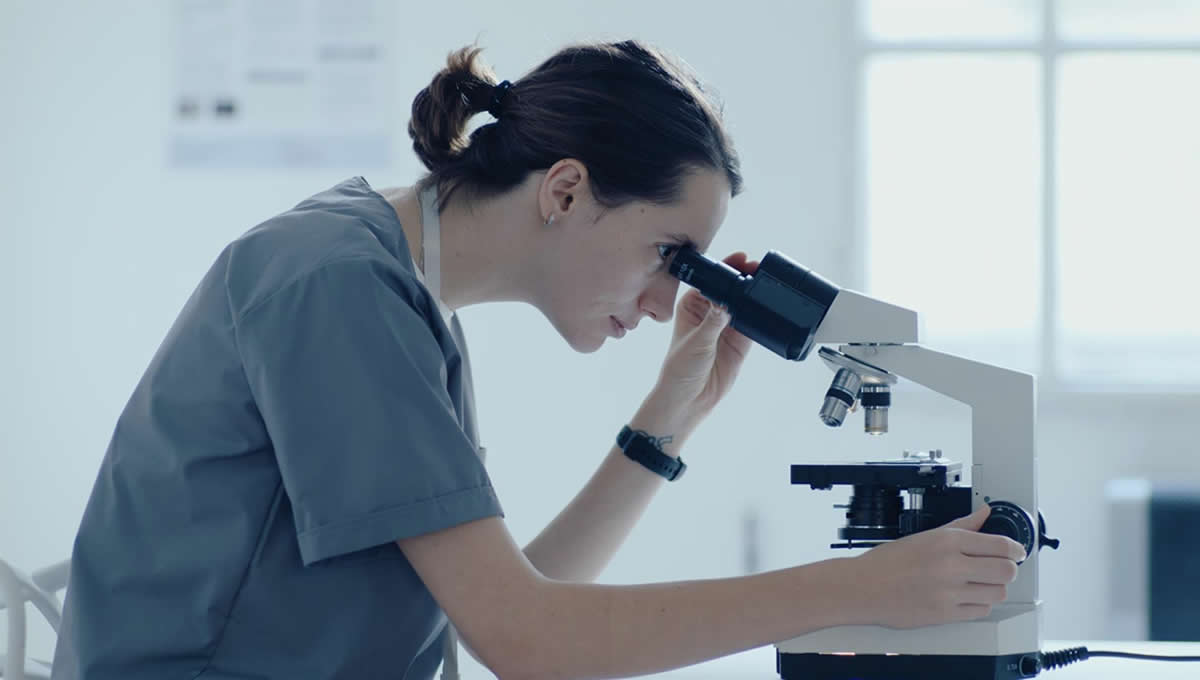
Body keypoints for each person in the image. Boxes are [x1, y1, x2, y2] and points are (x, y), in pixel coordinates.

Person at [51, 40, 1025, 679]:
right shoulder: (333, 284)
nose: (663, 299)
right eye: (667, 255)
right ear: (565, 190)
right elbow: (526, 641)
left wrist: (668, 419)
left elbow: (506, 603)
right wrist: (862, 586)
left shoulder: (394, 289)